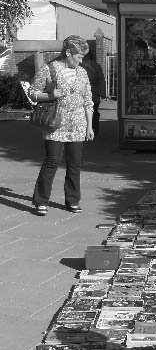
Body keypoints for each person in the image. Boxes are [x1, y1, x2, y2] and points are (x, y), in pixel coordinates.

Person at [29, 35, 94, 215]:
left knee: (75, 164)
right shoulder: (49, 69)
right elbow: (32, 93)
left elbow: (88, 101)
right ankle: (41, 201)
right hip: (55, 124)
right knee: (52, 161)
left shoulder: (82, 72)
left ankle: (73, 201)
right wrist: (50, 95)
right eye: (79, 56)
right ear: (68, 53)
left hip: (78, 125)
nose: (81, 61)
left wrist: (89, 126)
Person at [81, 49, 106, 136]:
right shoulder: (79, 66)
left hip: (93, 93)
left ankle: (94, 128)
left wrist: (102, 92)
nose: (85, 58)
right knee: (84, 112)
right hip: (83, 94)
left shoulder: (95, 66)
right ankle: (86, 129)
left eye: (86, 56)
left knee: (93, 112)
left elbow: (101, 80)